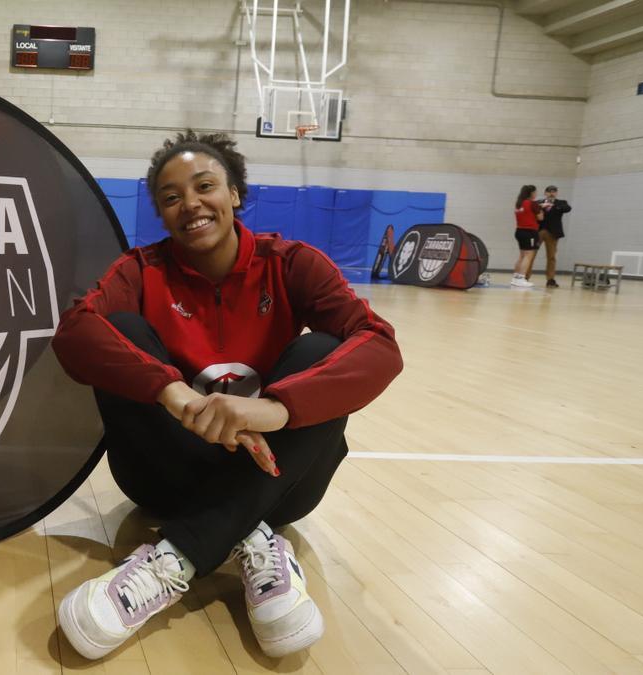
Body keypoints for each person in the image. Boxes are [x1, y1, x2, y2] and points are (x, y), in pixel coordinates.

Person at [50, 131, 403, 660]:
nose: (189, 204)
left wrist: (276, 408)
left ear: (235, 193)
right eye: (170, 198)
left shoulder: (290, 264)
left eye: (204, 186)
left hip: (278, 478)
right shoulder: (142, 272)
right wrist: (176, 396)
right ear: (162, 215)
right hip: (161, 477)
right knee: (118, 326)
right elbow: (74, 333)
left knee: (324, 353)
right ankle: (248, 535)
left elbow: (379, 345)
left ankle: (176, 557)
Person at [533, 185, 572, 288]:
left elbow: (567, 209)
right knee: (531, 255)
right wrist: (541, 206)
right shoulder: (538, 202)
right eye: (549, 191)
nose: (552, 193)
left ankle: (550, 279)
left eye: (554, 191)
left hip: (553, 233)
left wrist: (553, 205)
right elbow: (531, 211)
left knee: (551, 257)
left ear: (556, 193)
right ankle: (525, 277)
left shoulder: (561, 203)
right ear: (545, 193)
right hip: (539, 231)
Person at [511, 185, 543, 288]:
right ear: (532, 193)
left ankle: (515, 278)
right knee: (528, 255)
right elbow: (540, 218)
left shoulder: (518, 204)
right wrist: (541, 209)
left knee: (522, 255)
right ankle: (521, 278)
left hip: (519, 231)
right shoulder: (532, 204)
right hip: (529, 232)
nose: (536, 194)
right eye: (535, 192)